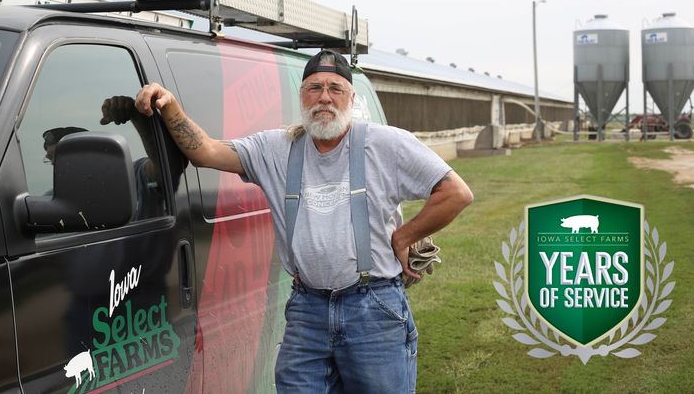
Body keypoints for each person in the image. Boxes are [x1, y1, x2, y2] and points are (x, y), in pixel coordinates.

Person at [135, 50, 473, 393]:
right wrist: (170, 106)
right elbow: (204, 151)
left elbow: (455, 192)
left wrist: (403, 237)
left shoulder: (385, 144)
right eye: (314, 88)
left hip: (373, 309)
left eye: (335, 89)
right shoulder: (275, 148)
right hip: (308, 310)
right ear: (301, 96)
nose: (324, 97)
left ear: (351, 99)